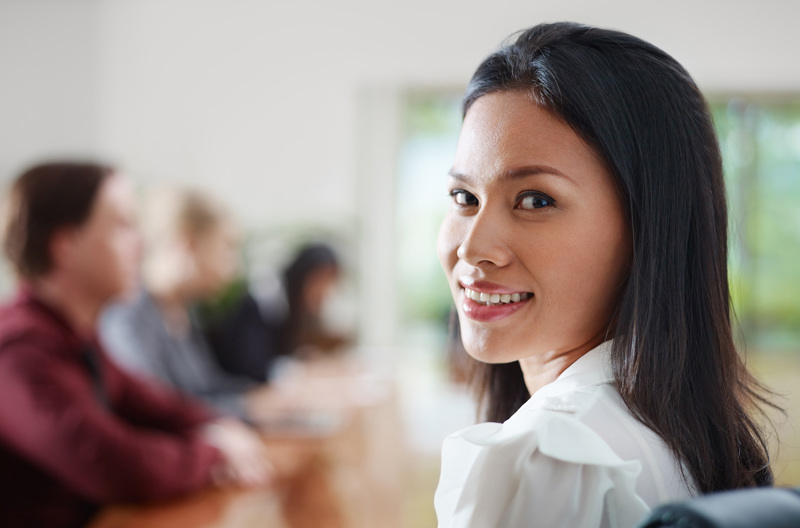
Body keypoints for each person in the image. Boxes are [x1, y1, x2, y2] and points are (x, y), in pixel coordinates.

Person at [434, 22, 776, 528]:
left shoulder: (550, 459)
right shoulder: (667, 433)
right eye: (465, 198)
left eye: (536, 200)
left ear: (648, 226)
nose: (472, 246)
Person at [0, 162, 271, 528]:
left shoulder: (77, 336)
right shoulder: (18, 350)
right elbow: (113, 464)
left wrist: (219, 422)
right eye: (124, 226)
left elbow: (156, 403)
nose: (142, 245)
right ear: (65, 245)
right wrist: (214, 452)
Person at [100, 187, 260, 418]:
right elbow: (157, 410)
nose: (233, 267)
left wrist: (263, 397)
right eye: (227, 248)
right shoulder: (129, 316)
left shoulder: (181, 310)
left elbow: (206, 388)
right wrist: (248, 407)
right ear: (188, 242)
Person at [205, 242, 349, 382]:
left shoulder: (300, 309)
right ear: (303, 274)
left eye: (330, 282)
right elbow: (253, 367)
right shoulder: (266, 298)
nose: (324, 291)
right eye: (320, 281)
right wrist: (301, 370)